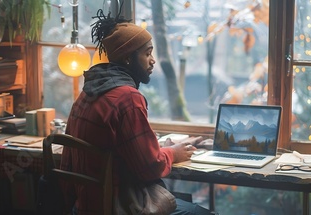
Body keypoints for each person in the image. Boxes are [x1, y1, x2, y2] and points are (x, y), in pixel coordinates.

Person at [59, 9, 215, 215]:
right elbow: (150, 167)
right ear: (127, 59)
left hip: (84, 205)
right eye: (147, 53)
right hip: (118, 205)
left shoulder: (89, 91)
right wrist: (174, 153)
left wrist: (159, 148)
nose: (153, 60)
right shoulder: (128, 98)